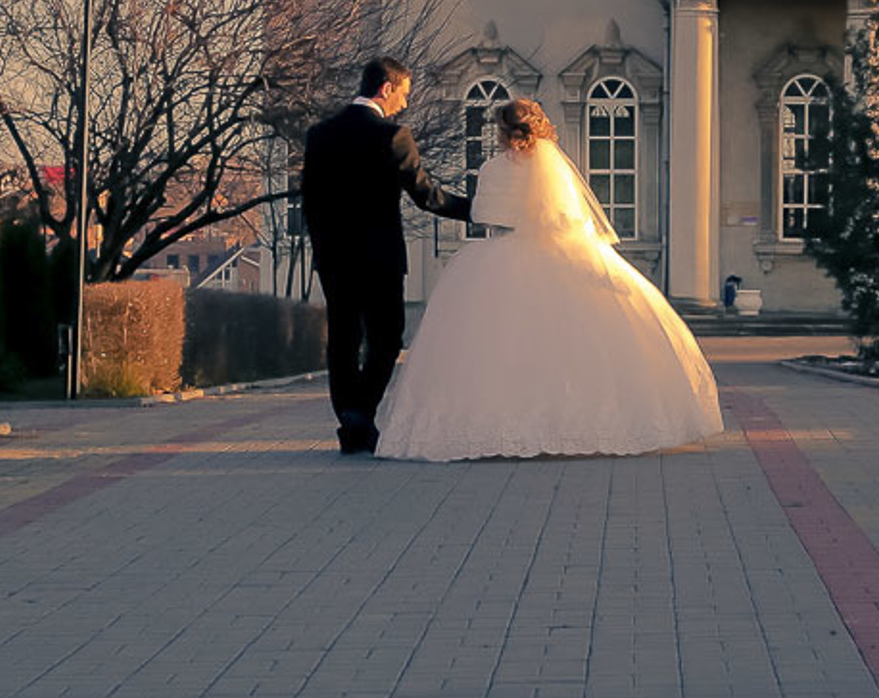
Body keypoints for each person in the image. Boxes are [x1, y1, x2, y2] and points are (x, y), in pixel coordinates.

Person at [378, 97, 723, 462]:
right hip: (560, 254)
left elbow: (484, 214)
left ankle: (501, 426)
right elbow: (571, 220)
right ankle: (578, 423)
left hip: (502, 255)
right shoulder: (555, 167)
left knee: (498, 347)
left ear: (502, 131)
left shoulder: (495, 168)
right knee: (573, 345)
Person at [300, 56, 471, 455]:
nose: (405, 105)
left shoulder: (320, 134)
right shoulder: (393, 135)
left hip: (334, 258)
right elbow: (427, 195)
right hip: (380, 258)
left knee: (343, 339)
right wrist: (477, 208)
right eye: (404, 95)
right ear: (386, 88)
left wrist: (324, 247)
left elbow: (311, 200)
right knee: (386, 338)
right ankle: (361, 413)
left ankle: (351, 421)